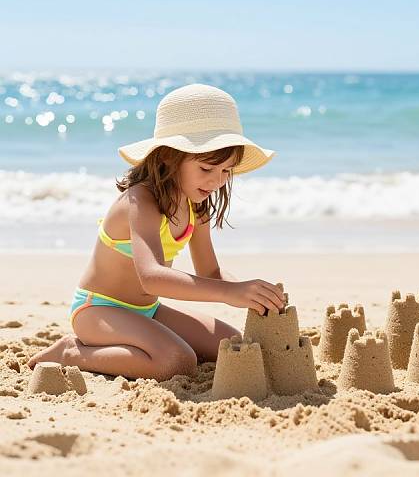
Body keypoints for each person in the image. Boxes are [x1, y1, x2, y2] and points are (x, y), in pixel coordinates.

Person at [27, 84, 285, 381]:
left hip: (147, 310)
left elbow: (210, 272)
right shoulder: (140, 201)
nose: (217, 181)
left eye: (226, 171)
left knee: (232, 344)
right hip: (98, 311)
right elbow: (151, 277)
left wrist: (251, 292)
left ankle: (142, 342)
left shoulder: (196, 204)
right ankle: (71, 352)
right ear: (167, 157)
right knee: (176, 361)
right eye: (206, 169)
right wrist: (229, 294)